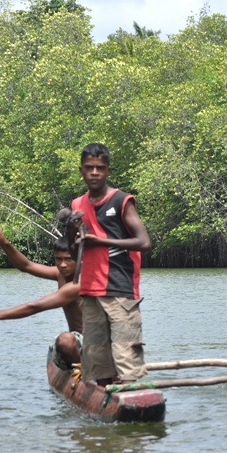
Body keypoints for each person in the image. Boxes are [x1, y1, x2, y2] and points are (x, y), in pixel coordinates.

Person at [71, 143, 151, 386]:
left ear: (108, 171)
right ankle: (105, 398)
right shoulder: (77, 205)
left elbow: (144, 242)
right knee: (96, 357)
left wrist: (102, 241)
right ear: (81, 170)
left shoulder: (120, 201)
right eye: (89, 168)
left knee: (126, 353)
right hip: (91, 289)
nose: (94, 172)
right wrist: (71, 233)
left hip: (119, 288)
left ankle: (133, 397)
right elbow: (76, 248)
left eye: (100, 168)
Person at [0, 226, 83, 369]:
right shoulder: (60, 274)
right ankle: (79, 369)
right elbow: (26, 266)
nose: (63, 264)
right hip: (78, 341)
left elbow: (35, 306)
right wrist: (3, 242)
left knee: (65, 340)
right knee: (65, 341)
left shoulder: (79, 283)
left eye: (68, 259)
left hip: (93, 344)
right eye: (58, 259)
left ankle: (86, 374)